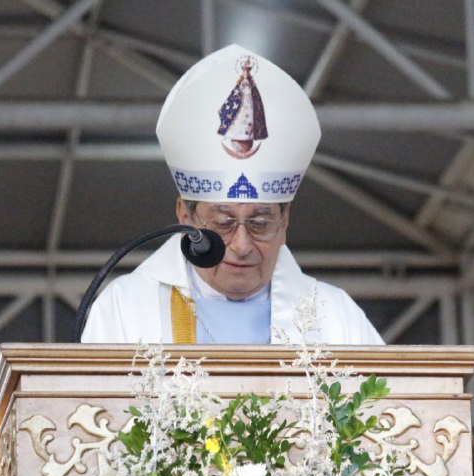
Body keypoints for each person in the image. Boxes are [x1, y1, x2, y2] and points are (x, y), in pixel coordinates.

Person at [81, 45, 383, 345]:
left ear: (285, 220)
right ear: (185, 217)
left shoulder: (334, 317)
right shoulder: (126, 308)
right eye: (223, 223)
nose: (241, 246)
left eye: (260, 224)